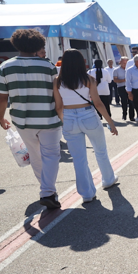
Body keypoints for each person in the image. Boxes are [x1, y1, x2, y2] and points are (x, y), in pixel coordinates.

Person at [0, 30, 63, 209]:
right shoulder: (48, 66)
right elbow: (57, 94)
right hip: (48, 119)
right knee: (52, 154)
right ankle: (47, 191)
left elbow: (2, 97)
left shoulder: (5, 66)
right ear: (37, 45)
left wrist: (0, 117)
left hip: (22, 120)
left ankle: (46, 190)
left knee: (35, 154)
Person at [53, 50, 119, 203]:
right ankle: (108, 179)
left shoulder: (57, 81)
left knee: (79, 158)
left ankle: (87, 194)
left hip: (68, 117)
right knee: (100, 150)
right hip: (88, 115)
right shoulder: (88, 79)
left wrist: (66, 121)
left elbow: (58, 106)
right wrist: (110, 122)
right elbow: (98, 103)